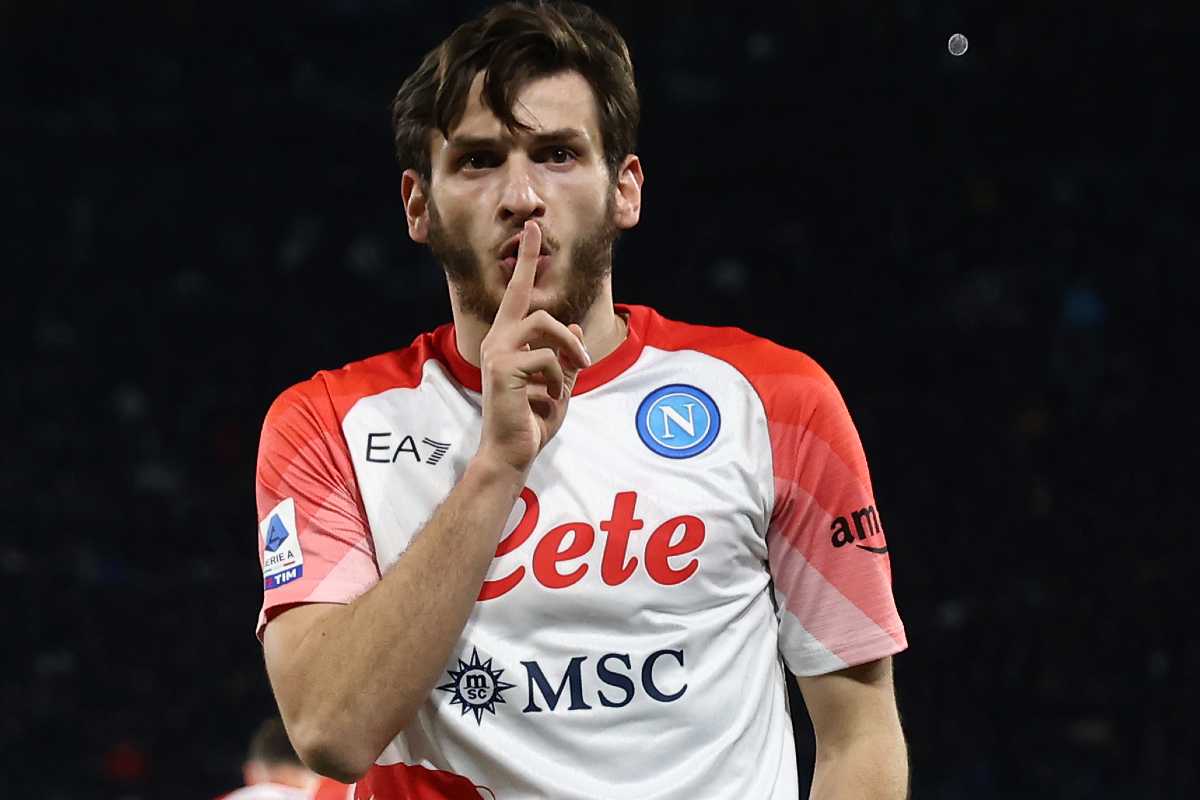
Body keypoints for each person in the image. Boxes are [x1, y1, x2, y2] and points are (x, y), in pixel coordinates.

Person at [254, 2, 909, 797]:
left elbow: (859, 736)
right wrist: (497, 465)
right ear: (418, 205)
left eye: (558, 154)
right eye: (478, 161)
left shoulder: (776, 402)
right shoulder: (328, 422)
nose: (522, 195)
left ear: (624, 189)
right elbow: (331, 729)